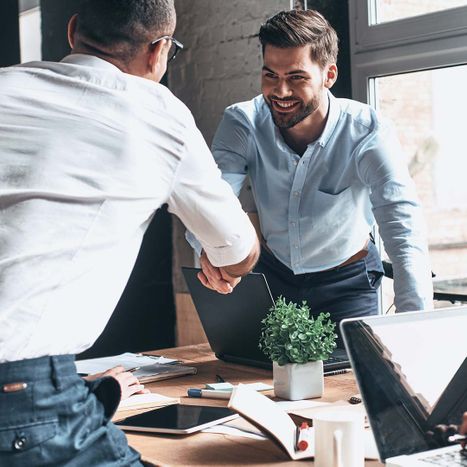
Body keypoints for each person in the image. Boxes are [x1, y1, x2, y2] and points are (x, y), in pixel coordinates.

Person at [0, 1, 259, 465]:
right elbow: (239, 252)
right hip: (24, 395)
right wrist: (218, 256)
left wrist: (88, 392)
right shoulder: (157, 112)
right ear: (159, 51)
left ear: (74, 30)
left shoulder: (7, 85)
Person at [194, 9, 433, 340]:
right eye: (270, 75)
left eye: (296, 77)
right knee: (256, 383)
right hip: (272, 278)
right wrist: (212, 255)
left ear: (329, 74)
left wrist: (416, 328)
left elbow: (402, 226)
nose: (280, 92)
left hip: (346, 285)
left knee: (354, 386)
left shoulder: (367, 131)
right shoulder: (243, 122)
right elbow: (210, 199)